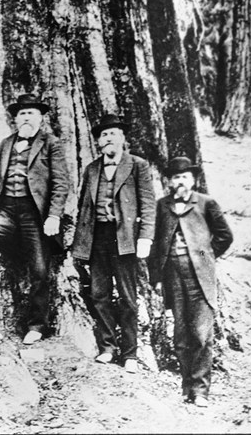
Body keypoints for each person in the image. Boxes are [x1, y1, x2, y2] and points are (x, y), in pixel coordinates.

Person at [0, 93, 70, 345]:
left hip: (34, 215)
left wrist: (54, 215)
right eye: (22, 113)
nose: (26, 117)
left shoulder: (51, 144)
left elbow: (61, 183)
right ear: (16, 119)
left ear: (40, 118)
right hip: (6, 211)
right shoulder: (6, 144)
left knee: (40, 269)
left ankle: (37, 325)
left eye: (31, 113)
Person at [71, 113, 156, 373]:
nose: (108, 138)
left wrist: (146, 237)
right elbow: (84, 209)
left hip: (126, 239)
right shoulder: (92, 169)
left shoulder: (138, 165)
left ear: (122, 138)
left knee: (129, 298)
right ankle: (108, 348)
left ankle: (130, 353)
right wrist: (80, 245)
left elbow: (148, 204)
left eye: (113, 134)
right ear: (98, 142)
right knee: (99, 295)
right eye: (104, 135)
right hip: (98, 239)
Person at [149, 156, 233, 408]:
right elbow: (154, 242)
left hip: (201, 278)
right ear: (169, 181)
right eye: (175, 177)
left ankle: (201, 391)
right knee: (181, 335)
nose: (180, 181)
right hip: (172, 277)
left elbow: (224, 236)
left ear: (193, 179)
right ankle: (187, 387)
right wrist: (157, 276)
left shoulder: (206, 203)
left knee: (201, 333)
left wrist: (205, 256)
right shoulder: (161, 206)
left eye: (184, 176)